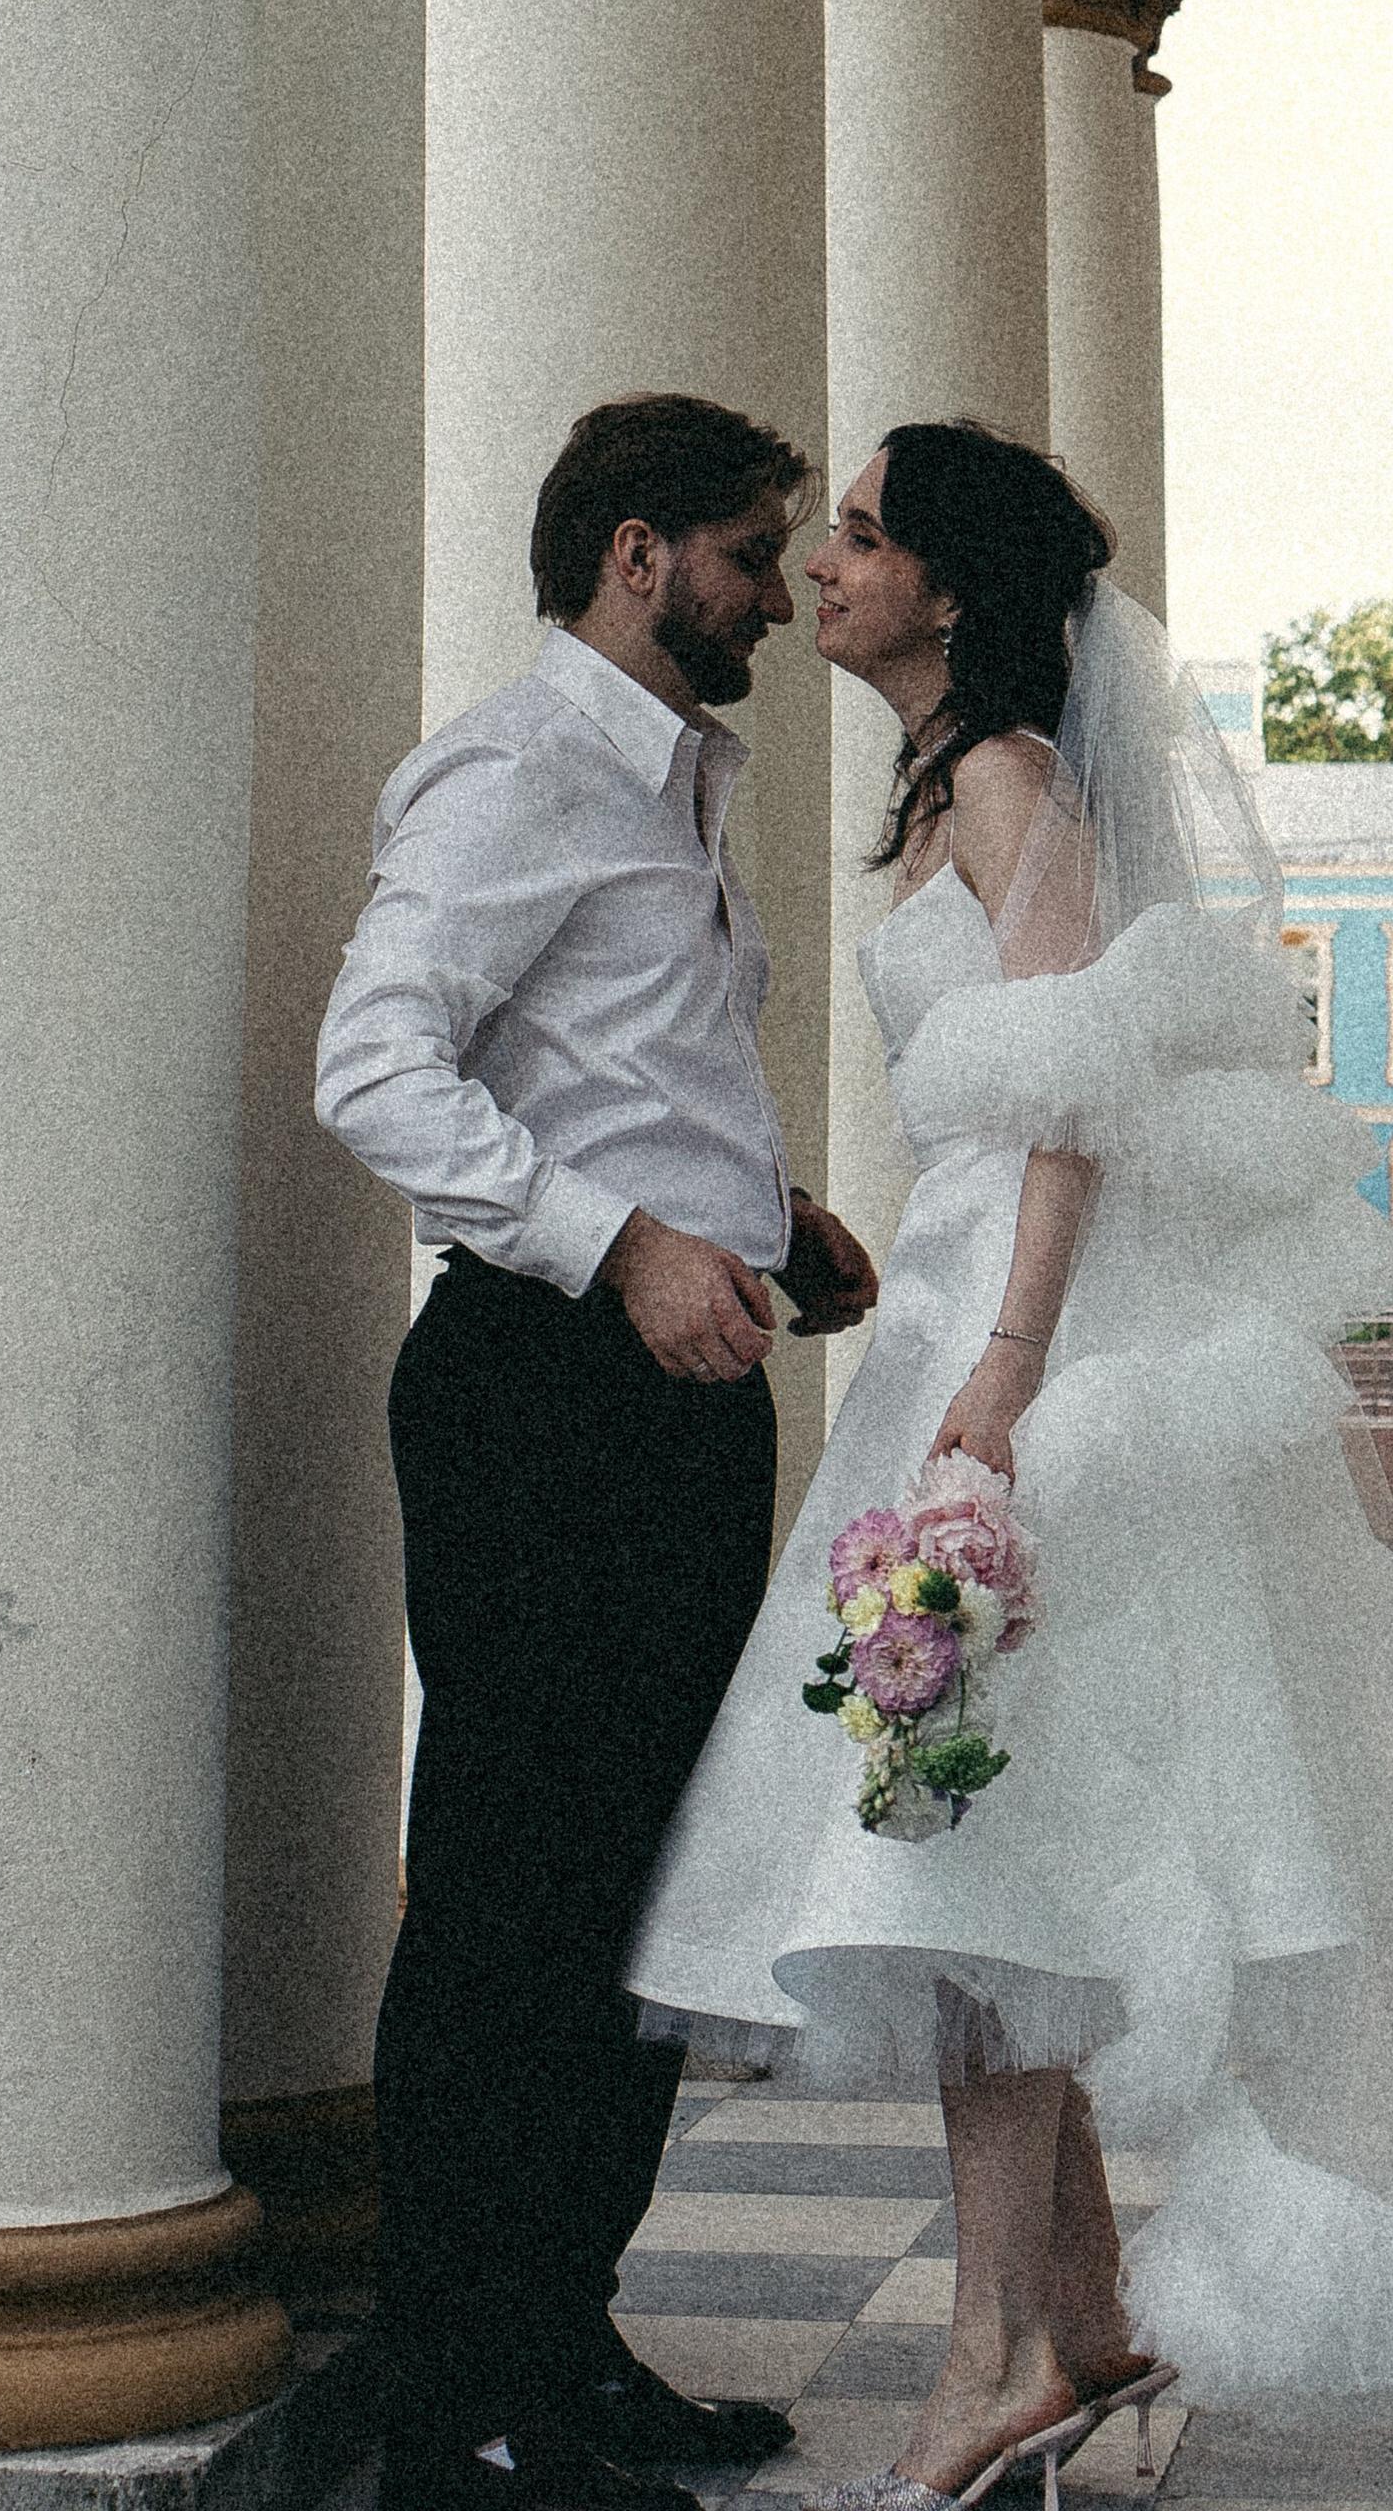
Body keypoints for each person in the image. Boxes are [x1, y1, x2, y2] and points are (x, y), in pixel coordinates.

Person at [626, 419, 1393, 2505]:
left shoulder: (1011, 782)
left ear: (945, 589)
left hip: (1023, 1351)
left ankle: (989, 2355)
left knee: (977, 1854)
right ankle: (1088, 2329)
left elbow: (1075, 1106)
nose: (824, 570)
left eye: (855, 539)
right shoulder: (961, 790)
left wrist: (1011, 1376)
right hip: (964, 1321)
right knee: (976, 1842)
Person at [316, 393, 880, 2511]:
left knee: (635, 1901)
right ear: (636, 556)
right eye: (749, 554)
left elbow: (617, 1072)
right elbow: (372, 1071)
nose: (773, 591)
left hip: (669, 1398)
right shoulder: (520, 765)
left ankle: (559, 2340)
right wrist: (620, 1242)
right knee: (505, 1903)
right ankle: (454, 2397)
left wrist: (755, 1221)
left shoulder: (672, 784)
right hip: (534, 1401)